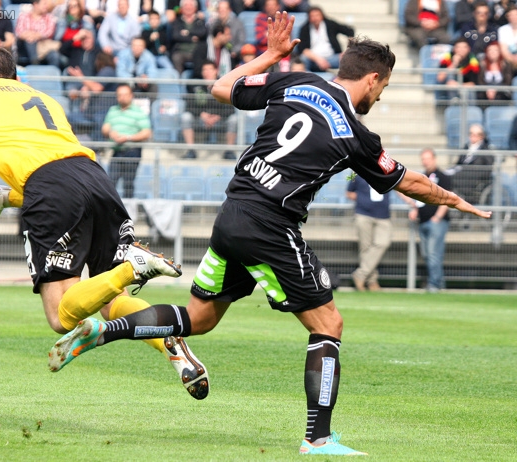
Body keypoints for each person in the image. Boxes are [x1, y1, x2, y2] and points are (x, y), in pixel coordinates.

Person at [47, 12, 490, 456]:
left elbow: (222, 87)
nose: (380, 93)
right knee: (328, 325)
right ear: (373, 79)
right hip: (271, 226)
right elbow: (408, 182)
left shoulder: (297, 81)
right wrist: (452, 199)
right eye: (385, 86)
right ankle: (317, 438)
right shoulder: (356, 134)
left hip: (232, 213)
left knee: (198, 319)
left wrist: (272, 55)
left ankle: (105, 331)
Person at [0, 47, 210, 400]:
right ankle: (173, 347)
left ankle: (132, 267)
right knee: (113, 304)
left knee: (60, 315)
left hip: (51, 189)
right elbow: (55, 163)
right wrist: (6, 198)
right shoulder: (44, 98)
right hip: (96, 178)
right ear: (16, 77)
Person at [407, 149, 453, 293]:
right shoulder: (422, 177)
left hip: (436, 221)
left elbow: (448, 199)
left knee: (433, 253)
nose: (425, 161)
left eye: (428, 158)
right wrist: (414, 208)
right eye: (423, 159)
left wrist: (437, 217)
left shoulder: (443, 177)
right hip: (423, 221)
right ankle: (439, 283)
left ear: (434, 159)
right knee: (428, 255)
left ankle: (434, 284)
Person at [101, 84, 151, 198]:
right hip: (117, 150)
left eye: (125, 94)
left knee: (128, 183)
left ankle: (128, 212)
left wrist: (128, 138)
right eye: (119, 95)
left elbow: (146, 133)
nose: (122, 97)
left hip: (132, 151)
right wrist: (110, 133)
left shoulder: (138, 112)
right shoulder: (113, 110)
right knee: (110, 182)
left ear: (131, 96)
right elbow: (105, 128)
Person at [181, 60, 237, 160]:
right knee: (185, 117)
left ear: (216, 71)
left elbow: (231, 107)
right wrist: (202, 114)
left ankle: (229, 151)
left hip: (220, 119)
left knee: (234, 119)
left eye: (210, 69)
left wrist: (218, 116)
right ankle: (190, 150)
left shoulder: (224, 85)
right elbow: (188, 104)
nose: (207, 72)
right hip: (200, 119)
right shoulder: (195, 85)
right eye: (204, 70)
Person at [346, 174, 392, 292]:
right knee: (365, 248)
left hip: (383, 215)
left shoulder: (387, 171)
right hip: (363, 214)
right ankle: (371, 281)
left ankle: (360, 275)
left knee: (383, 243)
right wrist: (362, 198)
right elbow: (349, 192)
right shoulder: (355, 173)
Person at [296, 6, 355, 73]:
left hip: (331, 58)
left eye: (317, 15)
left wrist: (349, 49)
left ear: (322, 16)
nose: (315, 18)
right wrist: (319, 60)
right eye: (312, 16)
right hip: (313, 59)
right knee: (303, 59)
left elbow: (349, 31)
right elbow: (303, 49)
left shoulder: (330, 24)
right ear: (309, 17)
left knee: (348, 58)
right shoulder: (305, 29)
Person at [448, 123, 494, 204]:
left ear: (482, 136)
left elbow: (488, 167)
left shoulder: (486, 149)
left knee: (452, 178)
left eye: (476, 135)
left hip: (474, 178)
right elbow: (459, 162)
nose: (473, 136)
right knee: (444, 175)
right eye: (471, 134)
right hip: (462, 174)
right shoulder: (466, 147)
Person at [15, 0, 60, 67]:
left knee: (54, 56)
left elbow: (49, 32)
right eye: (44, 4)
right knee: (30, 41)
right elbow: (19, 32)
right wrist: (32, 36)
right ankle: (35, 65)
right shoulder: (23, 16)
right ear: (36, 4)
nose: (46, 6)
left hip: (43, 47)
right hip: (24, 47)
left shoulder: (49, 17)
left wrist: (34, 35)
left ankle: (53, 76)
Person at [169, 0, 208, 74]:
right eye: (186, 5)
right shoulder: (177, 21)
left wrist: (187, 32)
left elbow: (202, 33)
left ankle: (197, 79)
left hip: (196, 51)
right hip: (181, 51)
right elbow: (176, 35)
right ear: (182, 8)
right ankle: (178, 81)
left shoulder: (200, 21)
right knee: (176, 57)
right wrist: (191, 38)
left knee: (200, 56)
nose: (188, 7)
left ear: (195, 8)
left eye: (191, 5)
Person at [475, 40, 513, 107]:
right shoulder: (482, 65)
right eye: (490, 50)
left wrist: (496, 90)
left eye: (495, 50)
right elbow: (480, 81)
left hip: (501, 93)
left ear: (499, 52)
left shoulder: (506, 65)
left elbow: (507, 82)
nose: (492, 52)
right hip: (485, 94)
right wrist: (487, 89)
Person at [497, 5, 517, 71]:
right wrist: (513, 59)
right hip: (508, 61)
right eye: (511, 15)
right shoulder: (502, 30)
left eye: (515, 14)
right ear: (507, 16)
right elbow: (504, 50)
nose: (514, 17)